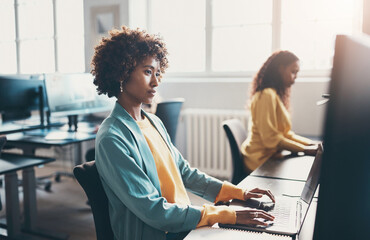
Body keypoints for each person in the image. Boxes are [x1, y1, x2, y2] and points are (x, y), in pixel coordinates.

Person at [91, 26, 275, 240]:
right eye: (148, 71)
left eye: (158, 73)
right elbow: (154, 211)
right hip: (159, 233)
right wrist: (225, 214)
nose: (156, 82)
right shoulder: (112, 137)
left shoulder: (153, 121)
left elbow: (184, 173)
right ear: (121, 72)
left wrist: (237, 193)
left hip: (183, 224)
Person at [241, 50, 319, 173]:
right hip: (259, 160)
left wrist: (312, 144)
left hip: (270, 156)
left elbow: (285, 134)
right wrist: (304, 149)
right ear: (280, 69)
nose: (295, 78)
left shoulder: (273, 94)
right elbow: (270, 139)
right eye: (293, 72)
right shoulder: (267, 95)